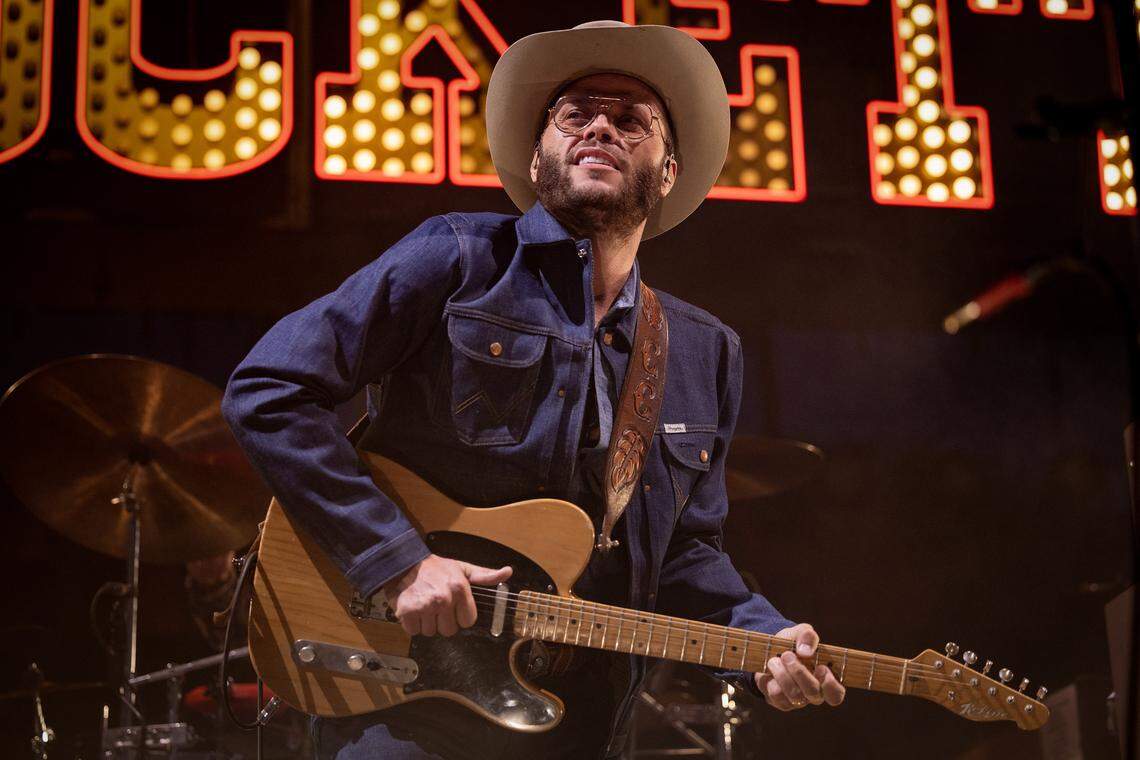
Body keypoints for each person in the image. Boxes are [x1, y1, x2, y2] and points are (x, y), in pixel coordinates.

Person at [222, 19, 845, 760]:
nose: (600, 128)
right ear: (536, 156)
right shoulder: (457, 259)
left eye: (632, 120)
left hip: (578, 716)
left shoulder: (703, 350)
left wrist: (764, 639)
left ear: (668, 173)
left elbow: (682, 552)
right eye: (575, 114)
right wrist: (397, 562)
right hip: (407, 699)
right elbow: (269, 389)